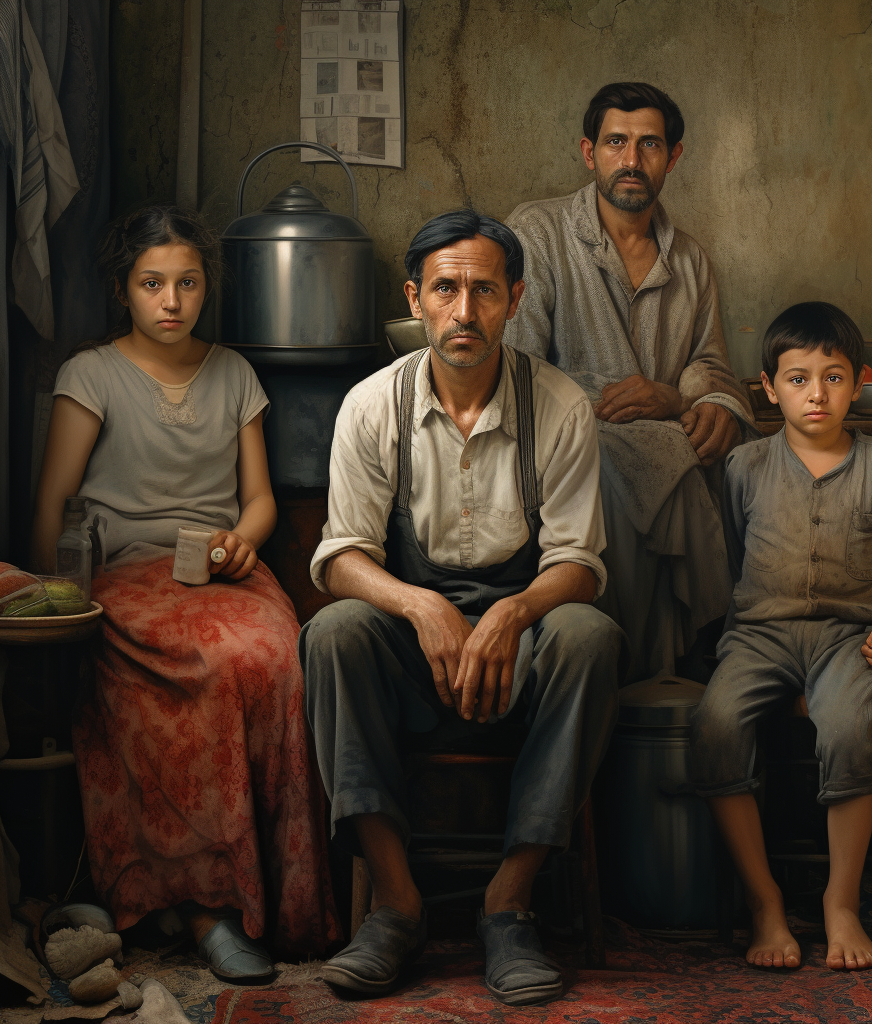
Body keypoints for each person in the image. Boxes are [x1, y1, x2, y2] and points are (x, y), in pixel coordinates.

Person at [301, 210, 623, 1006]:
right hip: (413, 656)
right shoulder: (372, 406)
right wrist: (423, 609)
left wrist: (511, 616)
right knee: (333, 633)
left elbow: (579, 565)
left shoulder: (557, 405)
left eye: (484, 290)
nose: (465, 311)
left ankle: (509, 903)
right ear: (416, 299)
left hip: (525, 650)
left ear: (515, 299)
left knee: (590, 637)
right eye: (446, 289)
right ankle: (395, 903)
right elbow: (341, 557)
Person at [30, 206, 338, 980]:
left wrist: (245, 541)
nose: (171, 300)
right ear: (123, 289)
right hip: (123, 577)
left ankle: (275, 904)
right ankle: (201, 906)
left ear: (207, 289)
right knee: (197, 666)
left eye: (188, 283)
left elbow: (259, 498)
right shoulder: (91, 375)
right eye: (152, 283)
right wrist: (56, 609)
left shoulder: (234, 372)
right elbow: (51, 506)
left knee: (274, 657)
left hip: (223, 572)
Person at [689, 302, 872, 970]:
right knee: (715, 723)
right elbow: (735, 553)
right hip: (760, 635)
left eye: (833, 377)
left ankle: (841, 901)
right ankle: (765, 903)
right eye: (798, 379)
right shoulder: (744, 468)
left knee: (850, 728)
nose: (816, 393)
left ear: (857, 385)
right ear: (768, 388)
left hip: (853, 638)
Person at [504, 81, 756, 683]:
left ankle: (725, 669)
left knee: (737, 460)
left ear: (674, 157)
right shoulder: (537, 234)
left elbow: (713, 367)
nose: (632, 159)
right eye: (617, 142)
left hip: (670, 453)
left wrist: (698, 401)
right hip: (564, 449)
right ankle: (642, 680)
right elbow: (514, 369)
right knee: (621, 465)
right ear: (590, 153)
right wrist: (619, 408)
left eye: (649, 145)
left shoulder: (690, 260)